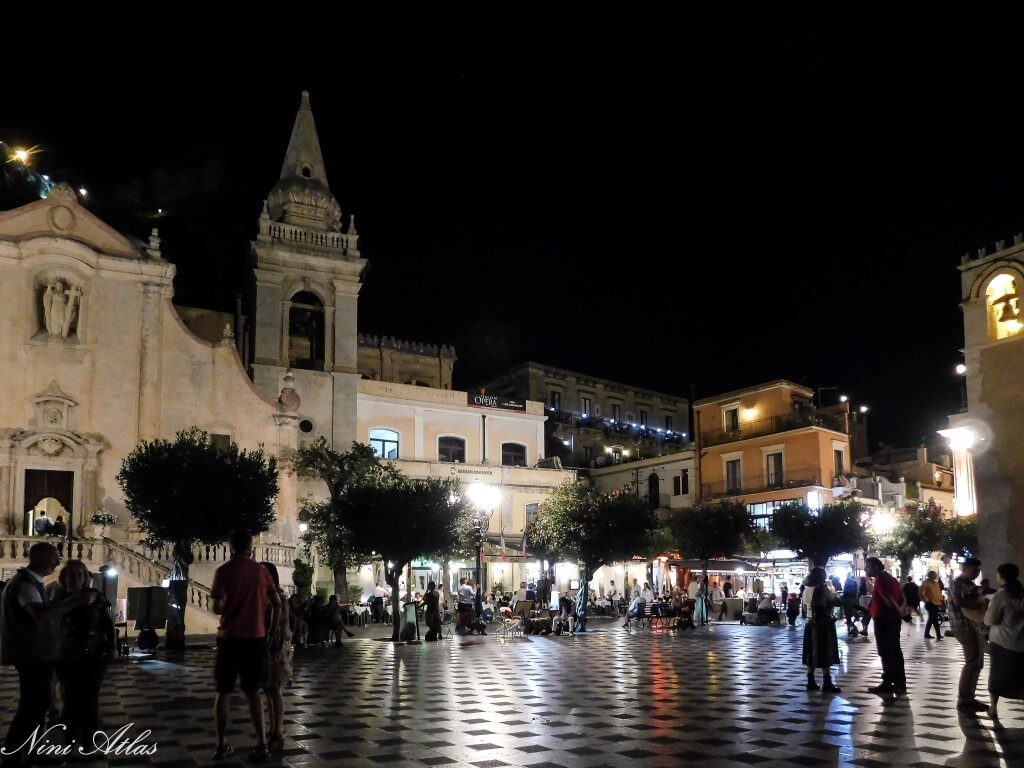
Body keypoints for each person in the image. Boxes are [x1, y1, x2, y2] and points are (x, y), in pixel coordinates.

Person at [1, 542, 96, 765]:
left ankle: (30, 754)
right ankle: (13, 758)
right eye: (54, 557)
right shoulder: (24, 585)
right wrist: (78, 601)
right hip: (32, 656)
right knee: (30, 708)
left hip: (37, 655)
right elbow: (40, 615)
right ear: (40, 558)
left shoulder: (32, 583)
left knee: (37, 708)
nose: (57, 561)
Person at [210, 530, 281, 762]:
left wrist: (231, 605)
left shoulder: (223, 571)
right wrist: (270, 630)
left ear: (231, 546)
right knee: (253, 692)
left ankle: (220, 744)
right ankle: (261, 743)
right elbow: (277, 601)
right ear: (250, 546)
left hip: (229, 638)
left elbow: (217, 607)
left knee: (223, 692)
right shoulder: (261, 572)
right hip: (255, 637)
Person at [51, 560, 116, 751]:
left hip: (94, 656)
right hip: (66, 656)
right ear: (64, 578)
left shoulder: (95, 597)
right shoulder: (57, 598)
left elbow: (107, 623)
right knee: (70, 696)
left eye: (80, 575)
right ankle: (71, 734)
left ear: (86, 577)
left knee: (90, 696)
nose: (75, 579)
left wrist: (111, 646)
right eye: (71, 575)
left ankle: (89, 737)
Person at [984, 563, 1024, 720]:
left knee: (997, 675)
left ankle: (993, 708)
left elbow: (989, 620)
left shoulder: (1001, 595)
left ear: (1001, 576)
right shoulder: (1021, 593)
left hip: (1001, 642)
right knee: (1019, 676)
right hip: (1020, 643)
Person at [949, 556, 989, 713]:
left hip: (974, 625)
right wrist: (979, 603)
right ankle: (964, 700)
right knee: (973, 661)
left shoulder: (971, 584)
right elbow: (958, 602)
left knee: (977, 662)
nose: (977, 573)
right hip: (962, 625)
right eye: (974, 570)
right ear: (965, 568)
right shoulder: (957, 582)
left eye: (978, 570)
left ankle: (969, 698)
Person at [865, 557, 907, 700]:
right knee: (894, 651)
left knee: (886, 652)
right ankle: (895, 682)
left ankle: (891, 684)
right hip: (891, 620)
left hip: (884, 620)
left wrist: (898, 612)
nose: (866, 569)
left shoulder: (881, 580)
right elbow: (902, 598)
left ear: (876, 567)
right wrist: (900, 612)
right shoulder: (891, 578)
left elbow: (889, 600)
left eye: (868, 566)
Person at [261, 562, 291, 754]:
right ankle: (273, 727)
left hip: (277, 644)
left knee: (275, 688)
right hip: (268, 643)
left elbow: (279, 619)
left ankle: (277, 728)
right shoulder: (264, 596)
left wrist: (271, 638)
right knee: (269, 689)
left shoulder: (277, 596)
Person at [802, 567, 841, 692]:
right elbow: (831, 602)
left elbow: (804, 606)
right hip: (822, 623)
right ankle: (827, 682)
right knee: (825, 651)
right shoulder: (823, 589)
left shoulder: (807, 589)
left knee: (810, 652)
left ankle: (811, 681)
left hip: (809, 622)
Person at [921, 570, 944, 641]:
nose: (936, 576)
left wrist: (941, 600)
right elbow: (921, 593)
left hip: (936, 603)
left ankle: (927, 634)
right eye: (935, 575)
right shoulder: (925, 583)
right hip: (930, 604)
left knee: (932, 619)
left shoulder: (936, 583)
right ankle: (938, 635)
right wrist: (926, 600)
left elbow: (938, 592)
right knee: (934, 619)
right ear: (931, 575)